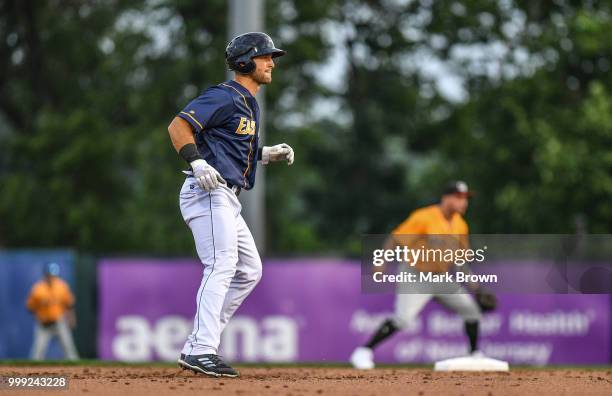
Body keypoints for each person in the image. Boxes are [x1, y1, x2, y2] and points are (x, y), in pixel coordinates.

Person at [167, 32, 294, 378]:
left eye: (272, 57)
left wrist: (264, 155)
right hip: (208, 191)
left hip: (226, 197)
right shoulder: (225, 95)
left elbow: (229, 148)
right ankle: (202, 349)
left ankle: (199, 343)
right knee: (222, 264)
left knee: (249, 271)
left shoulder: (248, 103)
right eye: (265, 56)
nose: (271, 63)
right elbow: (178, 127)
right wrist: (196, 162)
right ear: (244, 62)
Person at [350, 181, 496, 369]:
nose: (464, 203)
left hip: (441, 278)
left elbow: (460, 261)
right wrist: (381, 261)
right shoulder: (425, 217)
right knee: (403, 319)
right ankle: (364, 351)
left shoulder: (461, 225)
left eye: (466, 198)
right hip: (416, 275)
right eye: (459, 198)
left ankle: (474, 354)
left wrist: (476, 288)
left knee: (471, 311)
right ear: (446, 198)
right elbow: (396, 238)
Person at [26, 262, 79, 360]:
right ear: (45, 275)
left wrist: (72, 318)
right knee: (37, 352)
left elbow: (69, 304)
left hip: (59, 322)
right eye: (50, 275)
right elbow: (30, 307)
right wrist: (39, 313)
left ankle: (80, 373)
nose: (52, 277)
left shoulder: (62, 286)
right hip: (43, 325)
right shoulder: (38, 289)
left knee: (69, 349)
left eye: (54, 275)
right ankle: (31, 374)